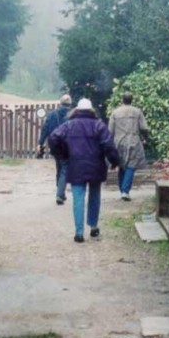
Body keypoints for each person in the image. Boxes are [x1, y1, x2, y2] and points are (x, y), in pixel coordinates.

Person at [48, 98, 120, 243]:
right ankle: (93, 228)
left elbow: (53, 138)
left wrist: (62, 155)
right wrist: (114, 161)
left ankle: (79, 233)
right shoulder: (98, 125)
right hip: (96, 166)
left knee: (78, 198)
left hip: (76, 166)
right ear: (91, 110)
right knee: (94, 196)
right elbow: (109, 145)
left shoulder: (69, 125)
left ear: (77, 110)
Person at [108, 91, 149, 201]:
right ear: (132, 100)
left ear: (122, 100)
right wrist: (145, 138)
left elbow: (110, 131)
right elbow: (144, 128)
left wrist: (110, 144)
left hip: (119, 142)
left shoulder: (115, 112)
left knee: (121, 165)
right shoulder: (137, 112)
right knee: (131, 165)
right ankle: (125, 191)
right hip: (133, 141)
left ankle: (123, 190)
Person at [36, 94, 73, 205]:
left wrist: (40, 143)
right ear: (70, 104)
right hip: (67, 145)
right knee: (65, 168)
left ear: (60, 103)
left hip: (54, 145)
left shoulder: (52, 114)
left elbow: (45, 129)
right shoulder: (71, 115)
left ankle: (60, 191)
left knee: (59, 166)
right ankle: (60, 194)